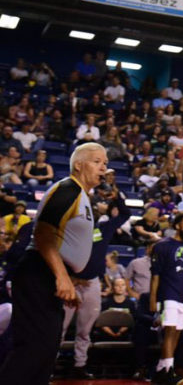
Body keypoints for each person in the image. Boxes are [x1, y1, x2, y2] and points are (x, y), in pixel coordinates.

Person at [0, 142, 106, 385]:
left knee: (46, 350)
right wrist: (61, 276)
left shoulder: (81, 195)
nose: (104, 168)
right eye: (97, 161)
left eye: (106, 164)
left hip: (49, 274)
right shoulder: (68, 188)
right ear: (78, 165)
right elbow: (44, 233)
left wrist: (66, 277)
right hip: (39, 271)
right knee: (33, 348)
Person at [62, 196, 130, 379]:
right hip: (70, 282)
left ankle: (79, 365)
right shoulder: (68, 231)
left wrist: (117, 196)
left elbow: (125, 214)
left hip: (92, 283)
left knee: (85, 329)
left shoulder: (103, 229)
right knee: (59, 327)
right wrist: (68, 278)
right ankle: (48, 364)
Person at [150, 212, 183, 385]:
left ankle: (160, 371)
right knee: (169, 332)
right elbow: (155, 276)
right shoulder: (162, 245)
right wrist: (153, 301)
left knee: (177, 333)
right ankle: (169, 370)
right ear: (177, 226)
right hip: (168, 295)